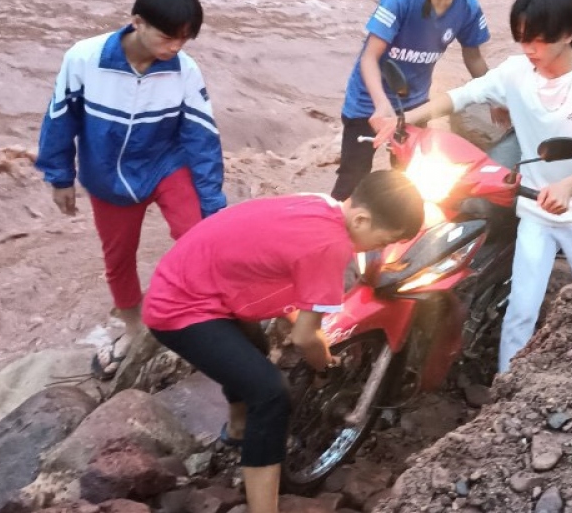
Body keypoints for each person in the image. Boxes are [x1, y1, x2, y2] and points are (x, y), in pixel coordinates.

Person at [142, 172, 424, 513]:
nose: (380, 250)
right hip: (179, 308)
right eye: (383, 241)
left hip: (189, 278)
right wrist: (324, 365)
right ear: (361, 219)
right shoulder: (331, 247)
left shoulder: (321, 204)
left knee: (253, 353)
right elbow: (305, 336)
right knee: (272, 393)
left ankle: (237, 429)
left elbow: (278, 263)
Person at [403, 0, 572, 373]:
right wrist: (402, 120)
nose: (528, 50)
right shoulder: (516, 72)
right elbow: (462, 95)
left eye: (538, 41)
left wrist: (569, 185)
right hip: (535, 210)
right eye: (522, 39)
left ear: (569, 35)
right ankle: (505, 389)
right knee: (522, 309)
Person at [36, 0, 227, 380]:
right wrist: (60, 177)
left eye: (185, 39)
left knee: (199, 236)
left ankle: (199, 312)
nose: (176, 47)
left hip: (164, 163)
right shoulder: (84, 58)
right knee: (118, 258)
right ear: (137, 22)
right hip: (107, 176)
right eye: (169, 37)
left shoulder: (184, 72)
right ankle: (133, 327)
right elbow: (59, 118)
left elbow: (202, 140)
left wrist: (213, 207)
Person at [333, 0, 492, 201]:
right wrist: (381, 104)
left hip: (414, 107)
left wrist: (497, 96)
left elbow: (474, 57)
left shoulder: (468, 8)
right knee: (352, 180)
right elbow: (370, 58)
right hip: (369, 103)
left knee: (408, 183)